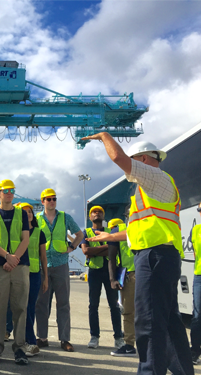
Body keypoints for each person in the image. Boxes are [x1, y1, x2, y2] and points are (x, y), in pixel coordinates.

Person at [82, 134, 193, 375]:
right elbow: (137, 230)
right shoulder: (152, 189)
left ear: (143, 159)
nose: (130, 172)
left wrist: (104, 136)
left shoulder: (154, 177)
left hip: (154, 257)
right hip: (160, 256)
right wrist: (108, 237)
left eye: (135, 161)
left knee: (149, 322)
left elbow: (118, 157)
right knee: (170, 321)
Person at [0, 179, 30, 365]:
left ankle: (20, 348)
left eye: (12, 190)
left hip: (19, 266)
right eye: (5, 190)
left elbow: (25, 239)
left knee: (20, 308)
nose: (9, 193)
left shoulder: (21, 214)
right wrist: (6, 257)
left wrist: (14, 259)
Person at [35, 188, 83, 352]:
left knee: (63, 303)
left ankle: (65, 339)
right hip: (43, 266)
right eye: (48, 199)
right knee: (41, 303)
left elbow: (79, 234)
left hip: (61, 264)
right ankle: (42, 337)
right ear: (42, 202)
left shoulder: (65, 217)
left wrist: (72, 247)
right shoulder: (36, 219)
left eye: (54, 198)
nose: (52, 201)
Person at [81, 206, 123, 349]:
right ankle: (94, 337)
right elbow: (86, 251)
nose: (97, 213)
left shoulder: (111, 233)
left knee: (114, 305)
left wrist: (96, 251)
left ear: (103, 216)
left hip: (110, 271)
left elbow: (114, 253)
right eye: (94, 212)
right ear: (89, 217)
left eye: (99, 212)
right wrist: (106, 248)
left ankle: (118, 337)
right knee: (93, 305)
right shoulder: (85, 232)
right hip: (94, 271)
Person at [16, 202, 48, 356]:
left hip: (34, 273)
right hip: (18, 271)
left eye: (29, 212)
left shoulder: (39, 232)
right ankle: (26, 340)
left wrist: (45, 277)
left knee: (29, 308)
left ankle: (30, 342)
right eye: (24, 211)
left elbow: (43, 256)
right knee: (20, 307)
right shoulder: (16, 231)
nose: (27, 214)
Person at [107, 217, 137, 357]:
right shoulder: (117, 231)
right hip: (130, 275)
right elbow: (111, 257)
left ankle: (152, 345)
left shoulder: (145, 225)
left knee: (149, 311)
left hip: (147, 273)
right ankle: (129, 345)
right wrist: (113, 279)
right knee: (128, 311)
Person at [190, 203, 201, 364]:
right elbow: (194, 253)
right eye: (199, 209)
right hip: (199, 275)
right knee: (197, 315)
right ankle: (194, 352)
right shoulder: (196, 230)